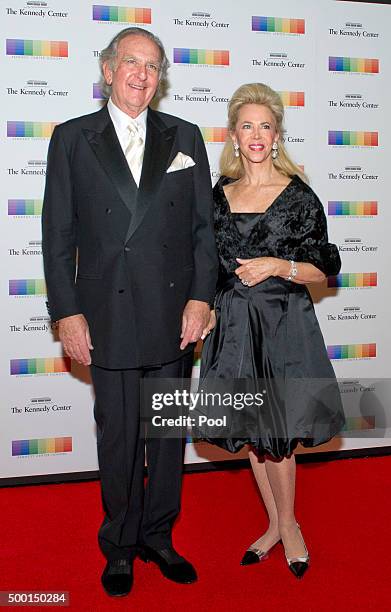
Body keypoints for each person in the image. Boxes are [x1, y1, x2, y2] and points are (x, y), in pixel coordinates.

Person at [42, 27, 218, 597]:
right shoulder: (72, 138)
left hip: (173, 312)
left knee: (165, 433)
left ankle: (159, 537)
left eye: (154, 66)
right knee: (118, 435)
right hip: (106, 314)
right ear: (108, 70)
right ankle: (119, 543)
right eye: (132, 63)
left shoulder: (185, 135)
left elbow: (201, 232)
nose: (143, 75)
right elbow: (57, 234)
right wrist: (67, 313)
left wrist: (200, 298)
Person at [200, 83, 345, 579]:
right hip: (235, 328)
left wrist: (280, 264)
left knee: (278, 436)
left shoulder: (299, 196)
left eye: (266, 126)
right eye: (247, 126)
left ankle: (290, 527)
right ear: (234, 136)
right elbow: (207, 264)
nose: (257, 135)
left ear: (277, 135)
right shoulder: (217, 195)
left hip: (282, 326)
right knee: (253, 435)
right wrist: (209, 306)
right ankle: (275, 524)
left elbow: (323, 270)